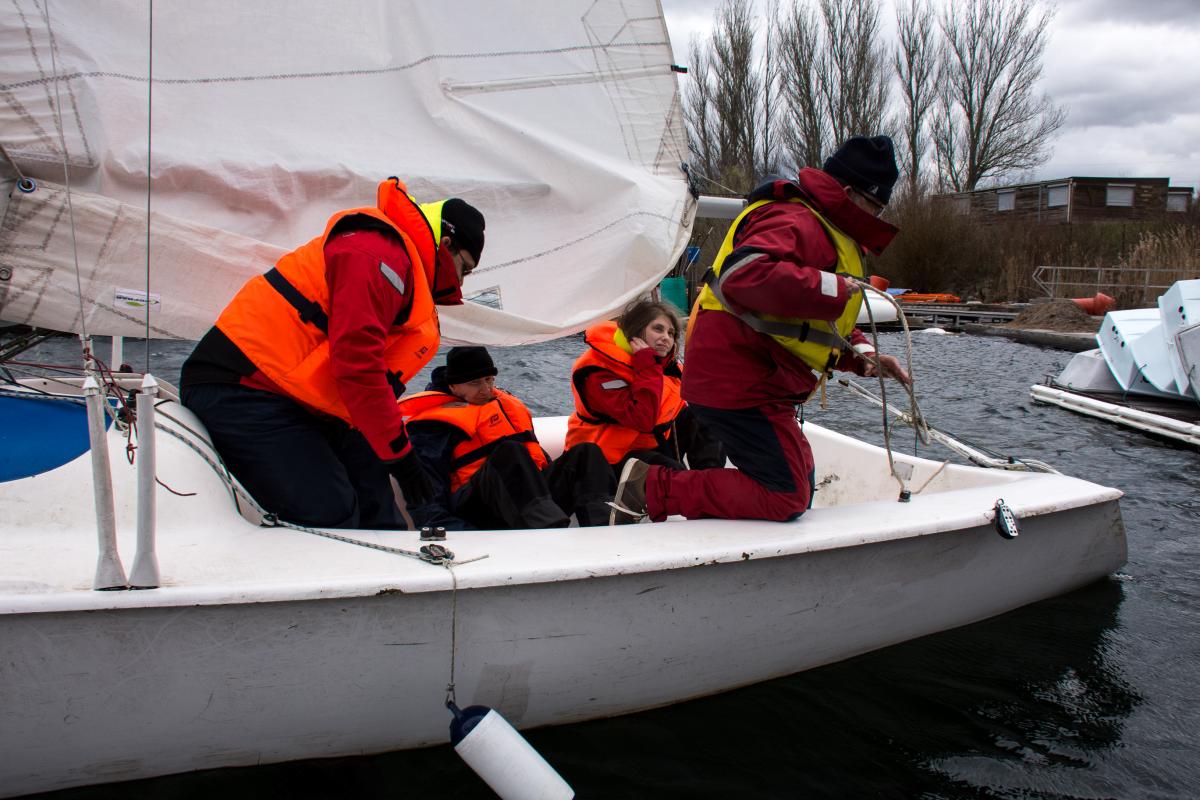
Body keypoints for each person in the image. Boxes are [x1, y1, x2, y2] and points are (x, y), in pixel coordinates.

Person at [609, 135, 912, 524]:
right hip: (738, 381)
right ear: (851, 194)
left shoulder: (822, 229)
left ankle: (667, 495)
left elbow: (814, 325)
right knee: (787, 494)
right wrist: (831, 288)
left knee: (799, 480)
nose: (875, 216)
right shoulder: (795, 220)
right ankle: (648, 487)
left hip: (756, 381)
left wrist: (864, 357)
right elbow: (743, 274)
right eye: (875, 205)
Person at [180, 177, 484, 529]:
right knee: (331, 511)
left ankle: (388, 564)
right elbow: (358, 366)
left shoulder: (399, 264)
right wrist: (401, 457)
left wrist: (395, 455)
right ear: (446, 245)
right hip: (242, 386)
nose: (460, 284)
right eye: (464, 269)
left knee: (377, 506)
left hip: (304, 401)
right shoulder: (376, 254)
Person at [401, 346, 615, 530]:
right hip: (479, 509)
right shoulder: (432, 426)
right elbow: (425, 493)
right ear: (453, 386)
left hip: (527, 501)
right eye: (475, 383)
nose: (485, 389)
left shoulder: (506, 405)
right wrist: (455, 534)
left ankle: (603, 530)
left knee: (586, 452)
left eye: (489, 380)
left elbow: (537, 456)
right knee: (510, 451)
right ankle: (549, 533)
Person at [565, 299, 724, 479]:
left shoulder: (666, 368)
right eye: (658, 329)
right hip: (606, 460)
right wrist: (648, 365)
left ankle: (711, 479)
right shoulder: (598, 372)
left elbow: (673, 408)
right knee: (673, 472)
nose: (666, 337)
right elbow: (642, 419)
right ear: (635, 330)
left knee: (705, 416)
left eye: (671, 333)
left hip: (647, 443)